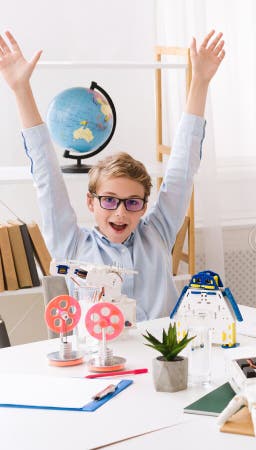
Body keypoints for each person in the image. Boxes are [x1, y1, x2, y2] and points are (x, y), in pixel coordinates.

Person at [0, 30, 225, 320]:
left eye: (133, 202)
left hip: (161, 359)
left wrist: (200, 81)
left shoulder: (157, 234)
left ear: (144, 206)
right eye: (109, 200)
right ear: (91, 202)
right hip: (99, 360)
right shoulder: (71, 244)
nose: (121, 213)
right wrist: (21, 90)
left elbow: (183, 167)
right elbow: (46, 174)